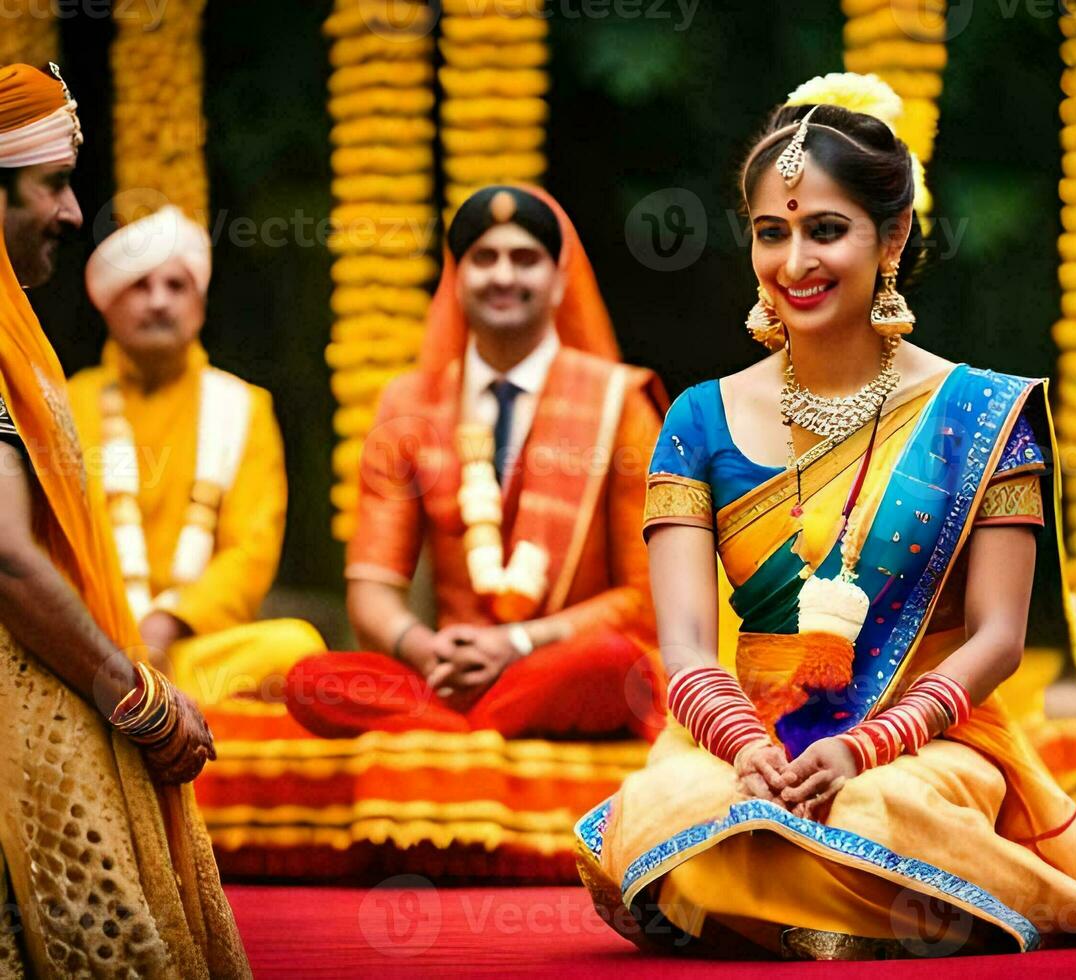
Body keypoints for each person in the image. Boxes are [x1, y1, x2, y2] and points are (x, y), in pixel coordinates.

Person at [575, 73, 1076, 960]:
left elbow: (998, 638)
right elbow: (686, 643)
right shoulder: (697, 418)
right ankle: (868, 908)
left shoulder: (980, 415)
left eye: (826, 230)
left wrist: (867, 745)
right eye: (773, 233)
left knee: (890, 811)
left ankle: (772, 900)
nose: (795, 262)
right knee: (670, 805)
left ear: (893, 236)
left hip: (930, 733)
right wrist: (741, 746)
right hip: (748, 736)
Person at [0, 62, 248, 976]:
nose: (72, 211)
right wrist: (130, 692)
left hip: (128, 644)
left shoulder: (243, 408)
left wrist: (153, 644)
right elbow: (5, 557)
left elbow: (249, 553)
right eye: (54, 184)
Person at [286, 184, 665, 743]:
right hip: (446, 673)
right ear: (456, 279)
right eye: (483, 259)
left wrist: (517, 643)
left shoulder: (620, 402)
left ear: (560, 280)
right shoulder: (409, 405)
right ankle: (476, 724)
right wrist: (424, 646)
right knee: (310, 681)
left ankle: (451, 733)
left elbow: (644, 599)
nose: (504, 276)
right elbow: (371, 590)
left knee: (611, 665)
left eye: (525, 259)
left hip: (558, 661)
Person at [67, 205, 326, 705]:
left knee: (295, 646)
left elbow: (250, 550)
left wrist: (165, 626)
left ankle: (152, 697)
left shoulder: (243, 406)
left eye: (175, 286)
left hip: (190, 647)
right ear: (107, 305)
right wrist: (111, 636)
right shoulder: (68, 402)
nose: (159, 302)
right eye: (139, 286)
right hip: (89, 643)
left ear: (200, 307)